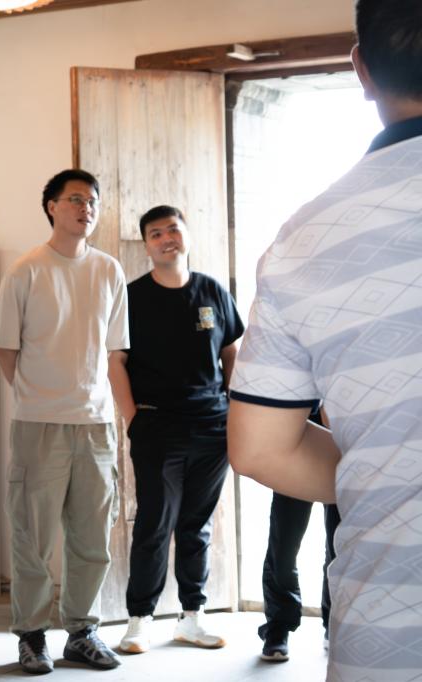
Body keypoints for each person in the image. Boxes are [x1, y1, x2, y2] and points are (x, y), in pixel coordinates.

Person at [228, 1, 422, 679]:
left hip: (387, 629)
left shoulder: (305, 240)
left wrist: (385, 471)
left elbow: (259, 449)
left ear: (361, 69)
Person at [0, 169, 128, 674]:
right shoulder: (26, 270)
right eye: (75, 199)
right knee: (33, 538)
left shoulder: (109, 270)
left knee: (92, 538)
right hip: (39, 422)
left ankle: (82, 631)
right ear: (51, 206)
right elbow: (6, 351)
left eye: (92, 201)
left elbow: (114, 353)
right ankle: (31, 635)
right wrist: (40, 397)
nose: (85, 208)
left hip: (96, 425)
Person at [107, 206, 242, 655]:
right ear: (146, 245)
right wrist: (134, 420)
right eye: (156, 233)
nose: (167, 238)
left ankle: (192, 617)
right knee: (153, 522)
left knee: (196, 525)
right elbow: (116, 362)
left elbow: (231, 353)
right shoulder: (132, 297)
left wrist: (234, 410)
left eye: (173, 229)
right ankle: (139, 620)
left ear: (186, 235)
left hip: (213, 428)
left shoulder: (212, 291)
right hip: (157, 427)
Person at [259, 485, 340, 661]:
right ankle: (278, 628)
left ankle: (334, 624)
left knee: (339, 549)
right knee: (282, 549)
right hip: (294, 469)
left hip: (341, 470)